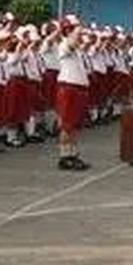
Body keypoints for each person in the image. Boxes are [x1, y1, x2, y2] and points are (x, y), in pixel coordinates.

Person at [54, 18, 91, 171]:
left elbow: (77, 43)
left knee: (74, 124)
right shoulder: (63, 44)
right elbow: (71, 42)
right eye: (75, 28)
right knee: (67, 124)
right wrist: (77, 29)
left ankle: (73, 154)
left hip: (78, 89)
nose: (79, 31)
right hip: (68, 88)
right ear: (69, 30)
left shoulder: (77, 49)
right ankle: (64, 157)